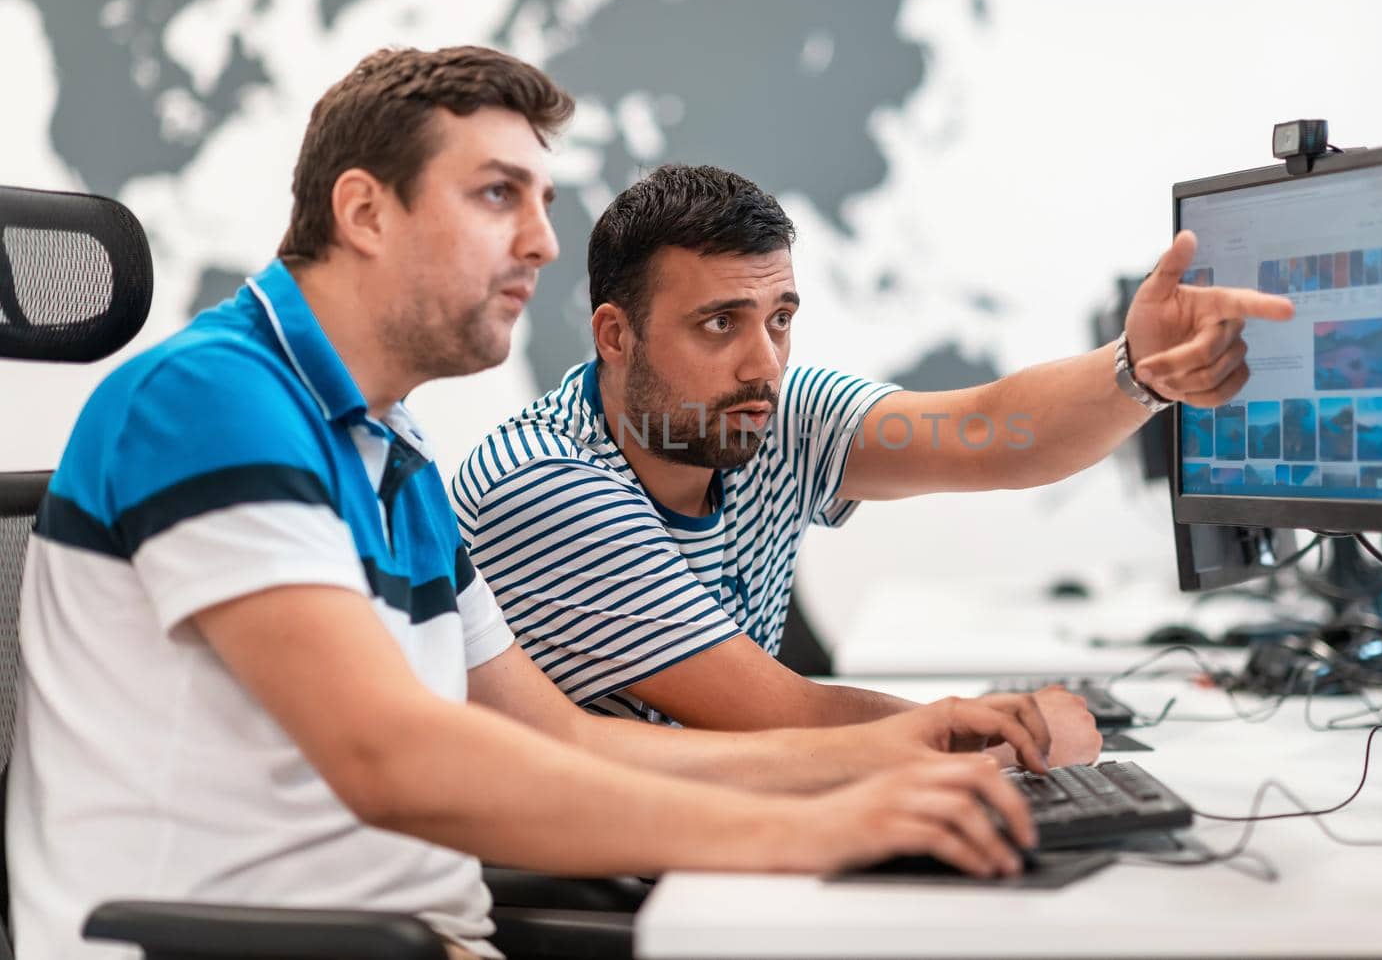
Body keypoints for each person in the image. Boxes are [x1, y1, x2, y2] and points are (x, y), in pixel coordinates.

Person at [8, 48, 1072, 960]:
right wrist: (809, 828)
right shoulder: (210, 401)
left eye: (542, 203)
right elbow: (392, 759)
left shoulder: (390, 451)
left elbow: (568, 739)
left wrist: (899, 748)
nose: (542, 243)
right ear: (366, 210)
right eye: (495, 196)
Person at [452, 164, 1294, 736]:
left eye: (778, 318)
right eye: (720, 324)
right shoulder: (548, 486)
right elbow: (780, 716)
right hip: (615, 882)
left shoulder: (768, 413)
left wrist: (1135, 372)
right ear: (615, 335)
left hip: (721, 830)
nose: (764, 362)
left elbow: (996, 432)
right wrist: (993, 733)